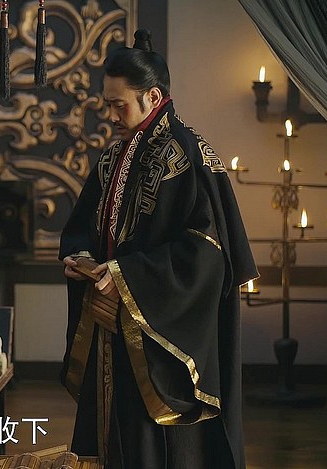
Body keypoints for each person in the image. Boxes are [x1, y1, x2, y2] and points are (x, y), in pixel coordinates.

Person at [59, 30, 258, 469]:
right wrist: (80, 260)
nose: (110, 115)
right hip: (109, 322)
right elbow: (81, 228)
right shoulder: (114, 156)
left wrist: (125, 278)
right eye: (107, 104)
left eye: (119, 105)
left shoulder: (186, 155)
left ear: (152, 96)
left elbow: (208, 255)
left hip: (160, 336)